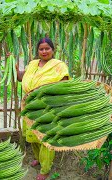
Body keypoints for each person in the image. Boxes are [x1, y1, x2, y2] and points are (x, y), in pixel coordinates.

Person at [16, 37, 70, 180]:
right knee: (33, 136)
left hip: (47, 108)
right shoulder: (33, 64)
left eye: (47, 48)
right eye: (41, 49)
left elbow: (64, 86)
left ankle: (45, 169)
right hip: (29, 106)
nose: (44, 51)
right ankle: (38, 159)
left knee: (46, 139)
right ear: (38, 51)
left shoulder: (59, 66)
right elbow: (22, 77)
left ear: (53, 50)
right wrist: (15, 68)